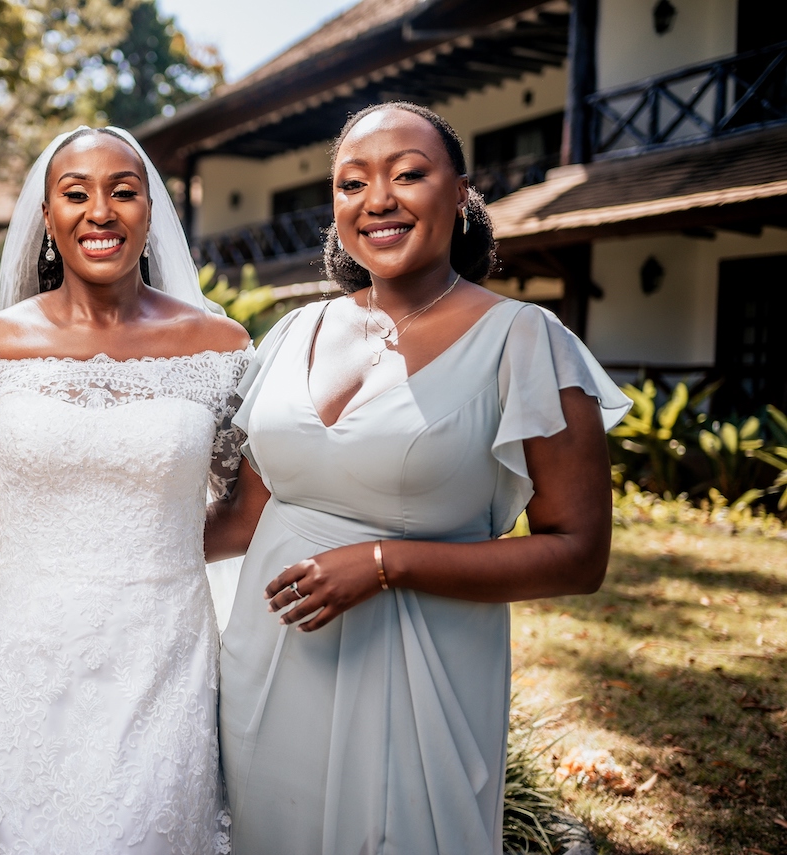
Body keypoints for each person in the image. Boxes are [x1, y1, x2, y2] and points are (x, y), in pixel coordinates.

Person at [206, 102, 632, 855]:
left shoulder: (525, 342)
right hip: (269, 659)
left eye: (409, 174)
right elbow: (245, 514)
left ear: (461, 193)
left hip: (419, 672)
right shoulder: (294, 331)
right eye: (352, 182)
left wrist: (383, 564)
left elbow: (579, 554)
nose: (378, 199)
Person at [0, 126, 249, 854]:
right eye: (74, 193)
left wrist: (153, 546)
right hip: (14, 666)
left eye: (123, 191)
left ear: (151, 210)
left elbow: (246, 509)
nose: (99, 210)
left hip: (161, 661)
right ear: (47, 219)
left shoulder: (220, 348)